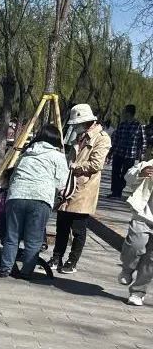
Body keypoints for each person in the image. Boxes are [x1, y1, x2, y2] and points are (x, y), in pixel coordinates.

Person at [0, 124, 70, 279]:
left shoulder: (26, 153)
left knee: (12, 236)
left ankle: (5, 268)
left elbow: (14, 174)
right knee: (34, 240)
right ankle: (26, 272)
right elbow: (62, 183)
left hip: (16, 196)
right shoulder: (57, 156)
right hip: (40, 198)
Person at [53, 103, 112, 274]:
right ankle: (57, 257)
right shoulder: (78, 135)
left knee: (78, 228)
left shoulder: (101, 138)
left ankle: (72, 261)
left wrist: (75, 167)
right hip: (68, 186)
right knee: (61, 224)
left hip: (85, 188)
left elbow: (96, 164)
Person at [119, 159, 153, 306]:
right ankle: (127, 268)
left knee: (151, 260)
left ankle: (138, 292)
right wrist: (141, 173)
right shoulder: (150, 164)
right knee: (135, 246)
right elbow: (129, 176)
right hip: (143, 215)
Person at [108, 105, 147, 198]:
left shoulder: (138, 126)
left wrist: (142, 153)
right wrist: (110, 152)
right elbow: (116, 138)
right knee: (115, 172)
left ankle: (119, 190)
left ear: (128, 113)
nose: (123, 113)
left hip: (130, 154)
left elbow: (143, 141)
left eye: (124, 111)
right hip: (118, 152)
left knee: (125, 174)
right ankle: (115, 192)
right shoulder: (122, 124)